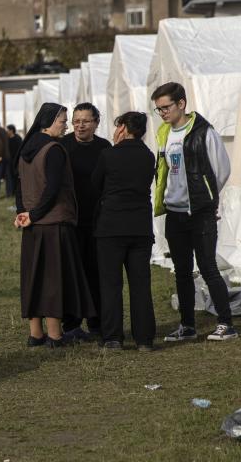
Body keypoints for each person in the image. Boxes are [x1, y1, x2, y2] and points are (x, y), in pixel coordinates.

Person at [152, 82, 236, 342]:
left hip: (200, 212)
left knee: (208, 267)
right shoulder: (164, 133)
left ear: (181, 104)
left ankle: (226, 324)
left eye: (166, 107)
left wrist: (206, 199)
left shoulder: (203, 132)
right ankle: (188, 326)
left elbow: (221, 169)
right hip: (174, 213)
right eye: (158, 109)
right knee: (182, 270)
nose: (163, 113)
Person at [13, 103, 95, 348]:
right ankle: (55, 336)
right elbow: (53, 189)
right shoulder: (54, 149)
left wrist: (23, 214)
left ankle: (35, 334)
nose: (66, 124)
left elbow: (19, 187)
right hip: (53, 225)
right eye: (63, 120)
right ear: (49, 121)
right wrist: (35, 214)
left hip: (33, 226)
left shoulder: (27, 148)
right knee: (52, 281)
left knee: (34, 278)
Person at [92, 112, 156, 350]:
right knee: (141, 285)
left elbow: (95, 186)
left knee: (111, 285)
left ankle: (113, 337)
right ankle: (144, 339)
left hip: (111, 227)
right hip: (140, 226)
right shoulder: (148, 156)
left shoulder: (108, 155)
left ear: (124, 129)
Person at [60, 103, 111, 341]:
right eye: (76, 120)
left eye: (85, 121)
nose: (80, 125)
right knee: (71, 273)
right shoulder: (62, 147)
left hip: (97, 221)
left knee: (96, 272)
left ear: (96, 122)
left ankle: (97, 322)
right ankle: (70, 324)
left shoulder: (104, 147)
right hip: (70, 221)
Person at [6, 124, 21, 198]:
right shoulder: (7, 139)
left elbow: (20, 149)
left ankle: (17, 191)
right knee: (10, 176)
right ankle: (12, 191)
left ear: (11, 130)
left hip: (17, 160)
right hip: (9, 161)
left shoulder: (17, 138)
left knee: (17, 176)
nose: (7, 131)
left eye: (8, 130)